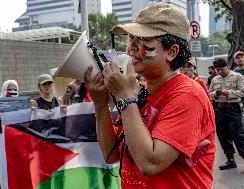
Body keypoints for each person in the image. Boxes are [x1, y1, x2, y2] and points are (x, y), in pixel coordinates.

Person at [84, 3, 215, 189]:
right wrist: (99, 104)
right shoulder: (140, 92)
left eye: (144, 41)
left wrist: (124, 95)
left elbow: (150, 163)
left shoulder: (188, 96)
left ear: (172, 52)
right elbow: (111, 154)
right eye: (131, 39)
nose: (131, 48)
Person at [209, 58, 244, 170]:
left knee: (238, 134)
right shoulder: (215, 79)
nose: (219, 72)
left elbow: (242, 92)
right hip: (219, 109)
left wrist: (227, 93)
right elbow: (209, 93)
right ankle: (230, 160)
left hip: (233, 108)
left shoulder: (237, 76)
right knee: (223, 135)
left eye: (221, 69)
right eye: (217, 70)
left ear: (227, 66)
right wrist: (215, 94)